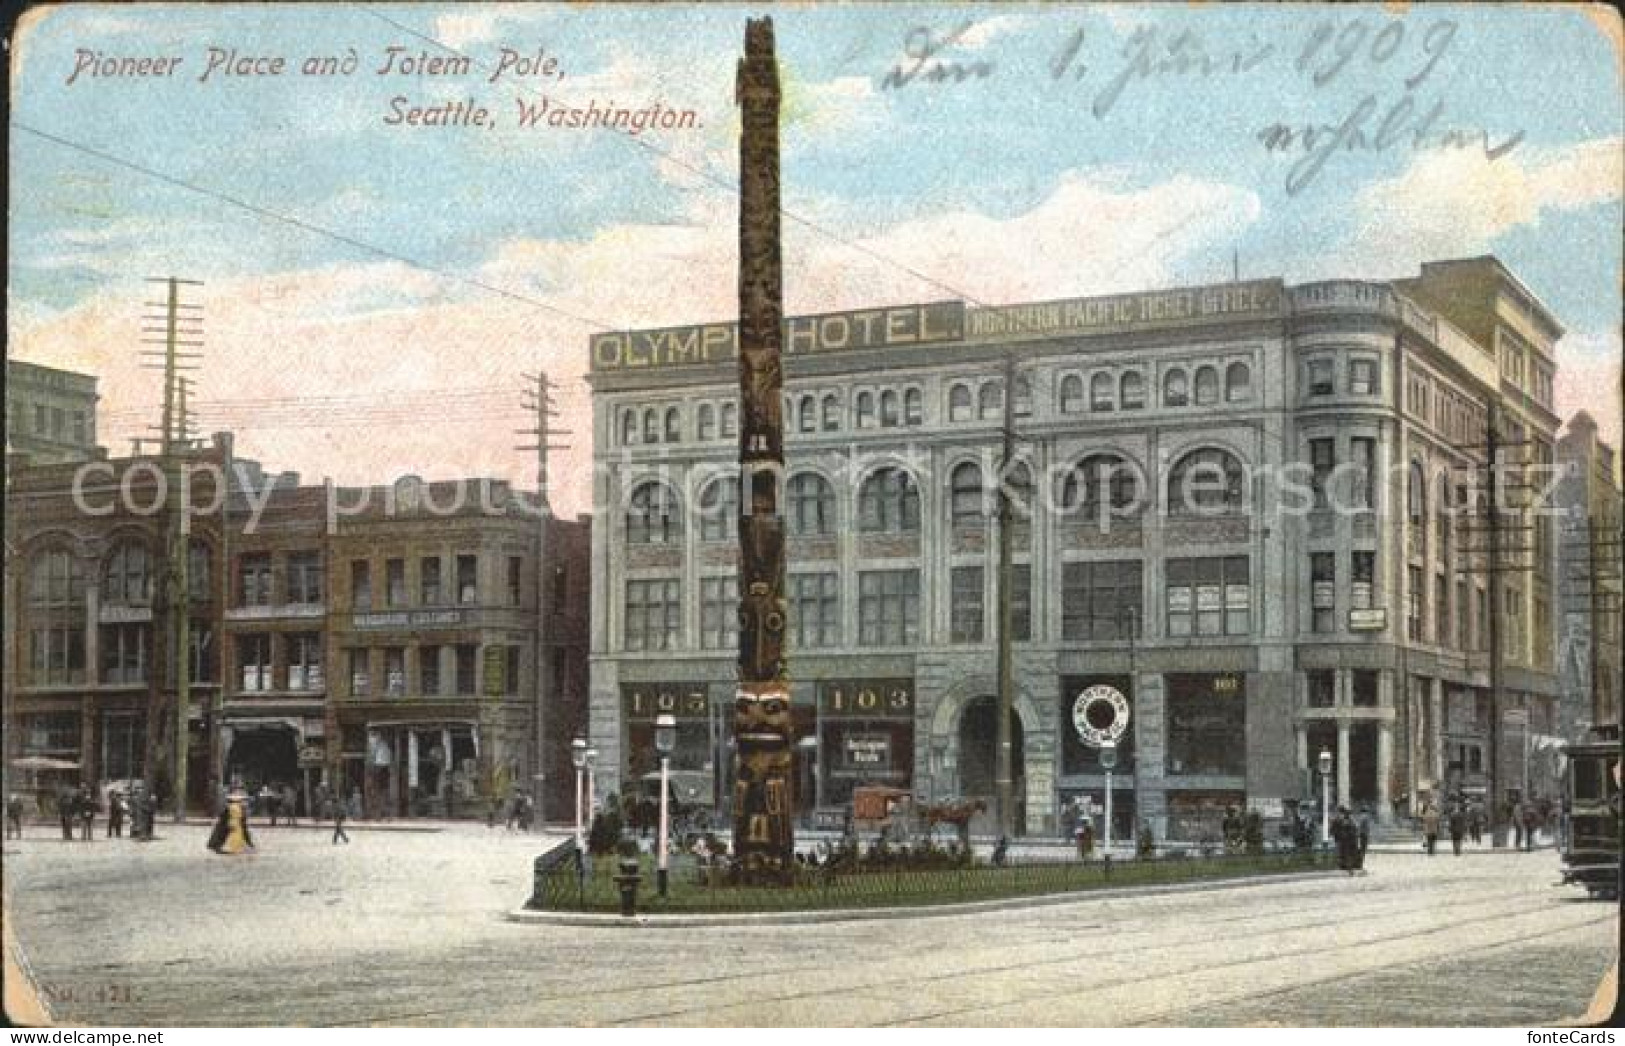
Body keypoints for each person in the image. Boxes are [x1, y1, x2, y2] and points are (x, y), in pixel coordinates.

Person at [1331, 806, 1359, 874]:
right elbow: (1333, 829)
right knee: (1343, 854)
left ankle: (1348, 868)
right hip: (1344, 839)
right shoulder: (1346, 820)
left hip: (1346, 840)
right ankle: (1345, 867)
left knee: (1346, 854)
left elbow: (1352, 830)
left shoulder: (1347, 820)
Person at [1356, 806, 1372, 871]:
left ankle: (1360, 864)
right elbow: (1360, 827)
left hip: (1363, 835)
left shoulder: (1362, 818)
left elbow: (1359, 827)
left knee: (1362, 850)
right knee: (1362, 851)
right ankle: (1360, 864)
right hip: (1363, 836)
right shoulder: (1364, 818)